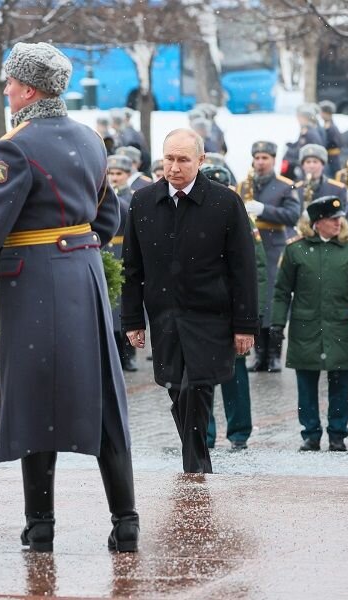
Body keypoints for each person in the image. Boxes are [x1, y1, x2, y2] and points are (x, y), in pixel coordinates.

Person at [0, 42, 138, 553]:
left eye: (9, 83)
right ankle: (126, 521)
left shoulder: (16, 146)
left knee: (34, 400)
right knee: (104, 399)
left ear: (27, 89)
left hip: (34, 280)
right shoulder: (91, 140)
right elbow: (107, 218)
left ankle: (41, 525)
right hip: (85, 274)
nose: (5, 91)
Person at [122, 128, 258, 474]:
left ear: (201, 160)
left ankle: (195, 466)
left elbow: (244, 268)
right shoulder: (143, 201)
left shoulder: (225, 203)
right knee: (176, 388)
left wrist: (245, 325)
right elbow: (132, 267)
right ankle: (197, 458)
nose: (175, 167)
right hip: (164, 314)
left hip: (210, 314)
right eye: (169, 158)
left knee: (196, 386)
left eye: (184, 159)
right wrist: (132, 320)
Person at [271, 196, 348, 452]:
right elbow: (283, 291)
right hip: (306, 326)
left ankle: (337, 434)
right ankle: (311, 434)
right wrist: (277, 325)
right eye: (332, 219)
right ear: (317, 223)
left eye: (339, 218)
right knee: (306, 384)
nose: (338, 223)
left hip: (340, 326)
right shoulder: (295, 250)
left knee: (339, 383)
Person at [200, 164, 267, 452]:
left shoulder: (242, 219)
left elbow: (257, 269)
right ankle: (204, 433)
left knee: (235, 374)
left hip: (234, 308)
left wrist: (252, 313)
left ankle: (239, 432)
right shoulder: (195, 216)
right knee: (201, 374)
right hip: (204, 307)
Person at [234, 141, 301, 373]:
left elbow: (293, 215)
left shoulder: (285, 186)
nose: (260, 162)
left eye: (265, 158)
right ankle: (259, 355)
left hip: (273, 249)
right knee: (254, 301)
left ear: (274, 159)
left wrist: (263, 210)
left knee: (272, 302)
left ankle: (273, 355)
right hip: (249, 249)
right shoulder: (243, 185)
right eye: (257, 158)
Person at [106, 154, 138, 372]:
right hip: (106, 250)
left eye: (119, 174)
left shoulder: (134, 196)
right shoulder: (101, 194)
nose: (114, 177)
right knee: (110, 306)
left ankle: (129, 354)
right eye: (111, 173)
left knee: (124, 306)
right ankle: (113, 353)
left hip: (123, 251)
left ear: (127, 175)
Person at [295, 144, 348, 210]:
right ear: (303, 166)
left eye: (315, 162)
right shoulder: (294, 189)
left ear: (323, 165)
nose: (311, 166)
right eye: (308, 162)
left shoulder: (338, 189)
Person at [318, 101, 343, 177]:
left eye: (322, 112)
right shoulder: (326, 126)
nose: (320, 114)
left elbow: (335, 144)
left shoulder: (332, 128)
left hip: (332, 160)